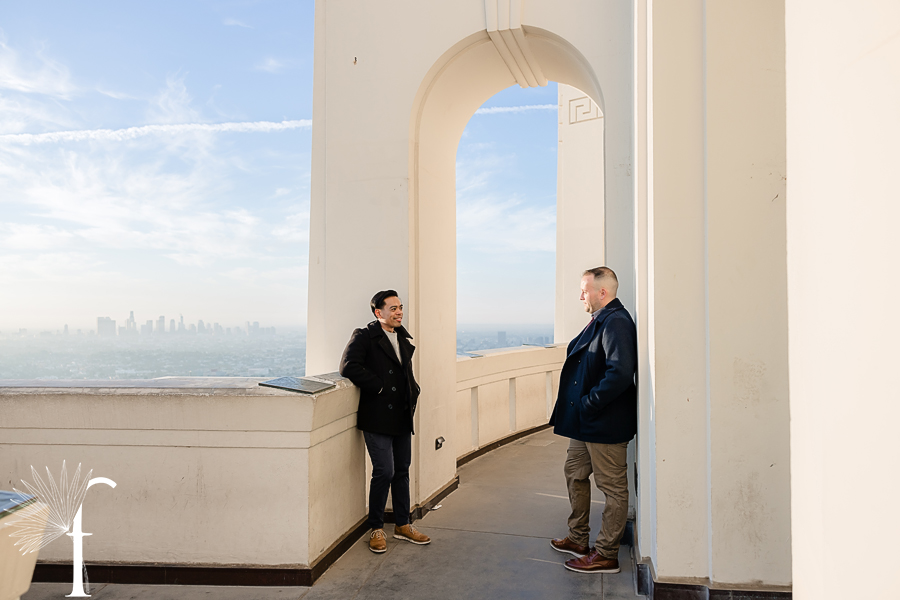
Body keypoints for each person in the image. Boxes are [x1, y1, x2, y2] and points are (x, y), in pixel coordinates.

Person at [548, 267, 637, 574]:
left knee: (612, 488)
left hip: (603, 423)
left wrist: (589, 403)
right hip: (585, 423)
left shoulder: (617, 322)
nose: (580, 296)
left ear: (603, 292)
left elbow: (620, 373)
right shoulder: (602, 319)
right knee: (574, 473)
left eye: (584, 290)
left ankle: (606, 554)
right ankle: (577, 538)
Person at [339, 290, 431, 553]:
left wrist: (414, 389)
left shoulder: (401, 337)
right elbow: (348, 366)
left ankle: (403, 524)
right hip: (378, 415)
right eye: (393, 308)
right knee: (384, 471)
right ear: (378, 312)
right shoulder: (364, 335)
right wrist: (379, 387)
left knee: (402, 470)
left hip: (401, 414)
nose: (399, 312)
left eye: (400, 307)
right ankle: (376, 528)